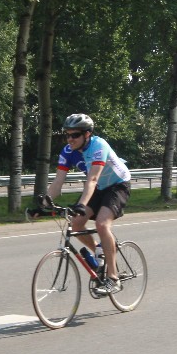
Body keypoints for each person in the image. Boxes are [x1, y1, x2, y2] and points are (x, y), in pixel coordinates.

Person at [45, 113, 131, 296]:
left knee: (102, 224)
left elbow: (92, 179)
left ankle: (113, 278)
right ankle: (101, 250)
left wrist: (81, 204)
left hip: (117, 185)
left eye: (75, 135)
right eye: (67, 134)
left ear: (87, 134)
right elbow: (57, 183)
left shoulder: (99, 146)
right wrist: (43, 203)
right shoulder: (68, 151)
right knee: (76, 224)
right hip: (99, 187)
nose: (70, 139)